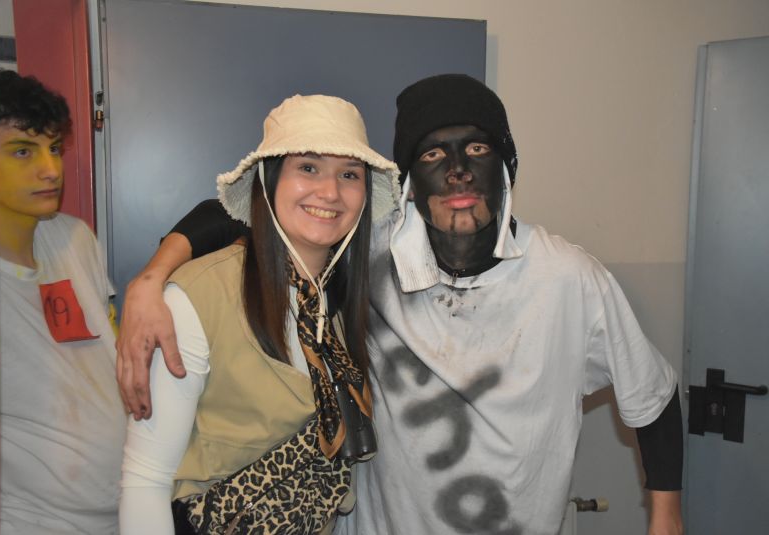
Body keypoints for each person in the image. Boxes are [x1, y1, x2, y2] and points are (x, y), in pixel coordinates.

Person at [117, 75, 683, 535]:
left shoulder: (569, 279)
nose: (458, 170)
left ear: (506, 166)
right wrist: (153, 277)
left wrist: (666, 517)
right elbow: (246, 218)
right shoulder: (373, 256)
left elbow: (653, 397)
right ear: (411, 180)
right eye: (434, 153)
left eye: (478, 149)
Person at [118, 94, 400, 534]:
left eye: (349, 174)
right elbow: (145, 481)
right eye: (308, 167)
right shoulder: (199, 297)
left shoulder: (343, 305)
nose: (330, 192)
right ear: (269, 181)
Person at [0, 67, 126, 534]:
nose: (50, 169)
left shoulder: (73, 238)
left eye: (53, 148)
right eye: (22, 151)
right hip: (33, 523)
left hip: (125, 513)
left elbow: (108, 355)